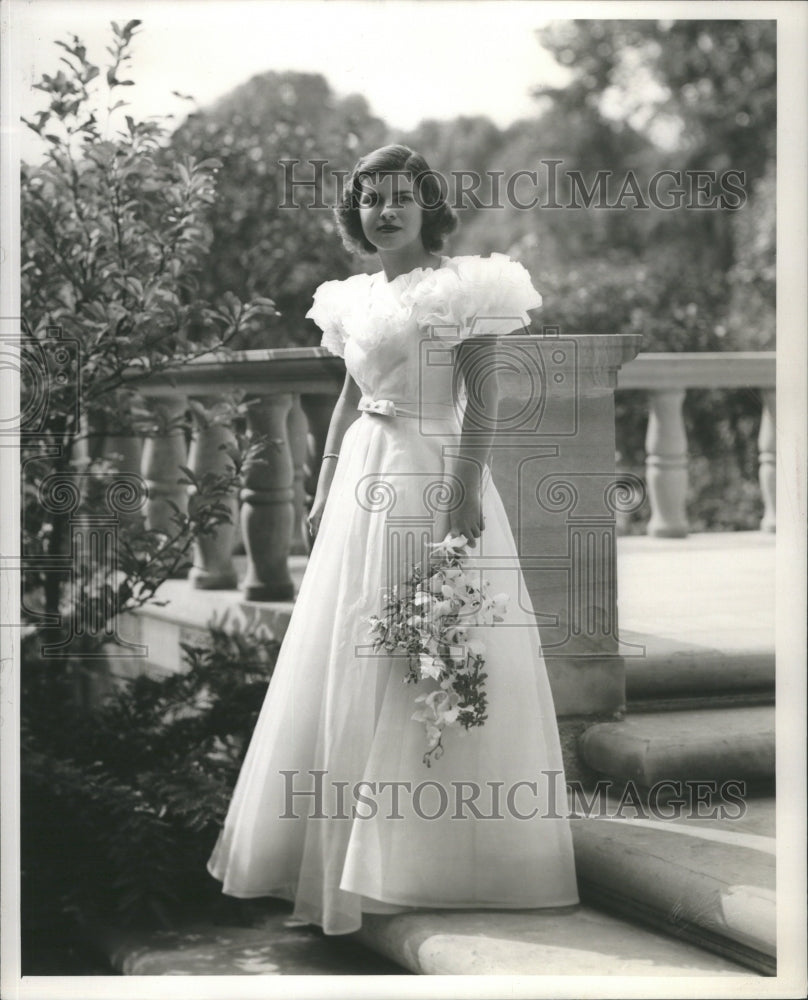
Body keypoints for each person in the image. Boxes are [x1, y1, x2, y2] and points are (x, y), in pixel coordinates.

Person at [207, 144, 579, 935]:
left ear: (426, 205)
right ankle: (337, 860)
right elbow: (345, 402)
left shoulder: (466, 287)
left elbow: (483, 402)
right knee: (350, 649)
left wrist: (461, 490)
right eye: (370, 198)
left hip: (432, 474)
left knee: (432, 649)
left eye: (399, 197)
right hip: (362, 484)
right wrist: (321, 485)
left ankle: (427, 858)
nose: (383, 211)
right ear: (356, 212)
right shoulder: (349, 297)